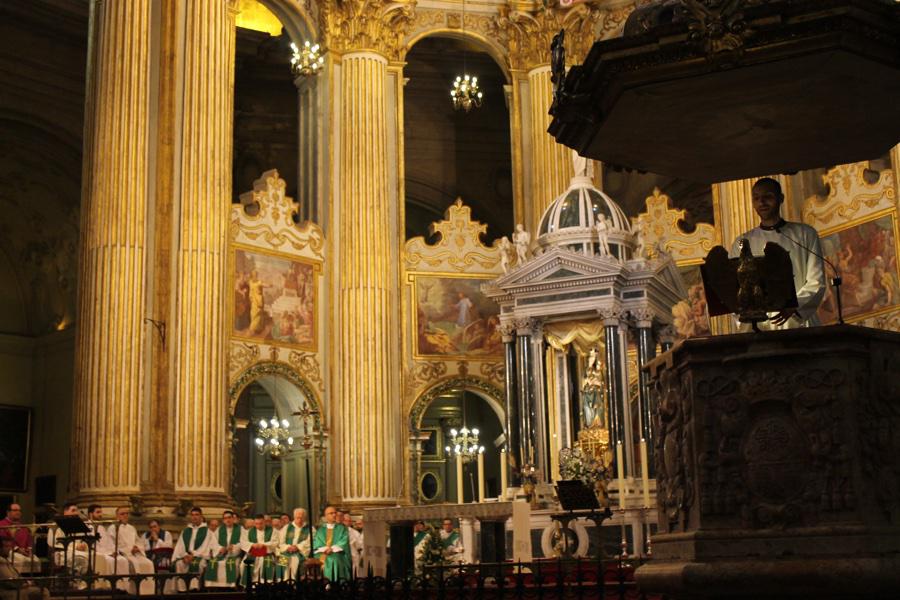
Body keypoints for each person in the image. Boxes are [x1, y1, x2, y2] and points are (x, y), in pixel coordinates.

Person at [729, 177, 826, 329]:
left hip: (798, 324)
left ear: (780, 198)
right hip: (760, 327)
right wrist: (749, 319)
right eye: (756, 198)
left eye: (768, 197)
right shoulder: (742, 242)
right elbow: (733, 289)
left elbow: (816, 282)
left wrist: (794, 307)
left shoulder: (805, 234)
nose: (762, 202)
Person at [104, 507, 155, 595]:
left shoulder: (131, 528)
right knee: (128, 564)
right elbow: (110, 543)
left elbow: (138, 541)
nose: (125, 515)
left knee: (149, 563)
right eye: (122, 514)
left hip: (134, 554)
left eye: (127, 513)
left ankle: (147, 592)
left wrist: (137, 547)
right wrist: (117, 551)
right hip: (122, 554)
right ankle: (129, 591)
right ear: (117, 516)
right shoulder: (113, 528)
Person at [172, 507, 210, 591]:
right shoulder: (186, 531)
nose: (194, 517)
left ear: (201, 516)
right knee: (179, 564)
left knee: (197, 564)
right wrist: (185, 555)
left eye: (197, 515)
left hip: (200, 556)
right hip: (186, 556)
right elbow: (180, 546)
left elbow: (206, 547)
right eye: (192, 515)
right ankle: (182, 590)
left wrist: (194, 555)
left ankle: (194, 589)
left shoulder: (207, 531)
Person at [205, 510, 244, 588]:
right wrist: (220, 548)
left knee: (233, 564)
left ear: (233, 518)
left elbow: (244, 542)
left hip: (234, 556)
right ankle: (213, 587)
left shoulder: (241, 529)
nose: (227, 520)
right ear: (223, 520)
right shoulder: (219, 529)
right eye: (225, 518)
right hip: (221, 555)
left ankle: (230, 587)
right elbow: (213, 543)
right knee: (213, 563)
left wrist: (234, 547)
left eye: (229, 517)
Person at [312, 506, 350, 582]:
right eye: (331, 513)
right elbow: (316, 543)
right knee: (283, 564)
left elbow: (344, 541)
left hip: (335, 553)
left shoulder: (342, 528)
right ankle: (283, 581)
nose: (334, 515)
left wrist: (332, 549)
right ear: (326, 516)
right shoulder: (320, 529)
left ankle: (333, 585)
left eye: (335, 513)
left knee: (334, 560)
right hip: (286, 554)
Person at [241, 514, 278, 584]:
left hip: (267, 554)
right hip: (253, 553)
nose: (259, 526)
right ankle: (250, 585)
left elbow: (275, 542)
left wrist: (264, 545)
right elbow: (243, 542)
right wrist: (252, 544)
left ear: (264, 522)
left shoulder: (273, 530)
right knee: (243, 565)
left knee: (263, 562)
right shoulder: (249, 531)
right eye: (256, 524)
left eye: (261, 523)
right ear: (254, 523)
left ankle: (265, 583)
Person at [0, 504, 36, 574]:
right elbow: (3, 540)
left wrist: (29, 549)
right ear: (8, 512)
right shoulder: (2, 524)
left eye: (19, 510)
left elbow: (29, 539)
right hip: (10, 551)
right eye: (15, 510)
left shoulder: (23, 526)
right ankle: (20, 581)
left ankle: (31, 580)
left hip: (24, 552)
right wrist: (17, 549)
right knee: (22, 561)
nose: (18, 512)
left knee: (35, 560)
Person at [276, 508, 310, 581]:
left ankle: (294, 582)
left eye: (301, 517)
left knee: (295, 562)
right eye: (297, 517)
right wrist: (288, 547)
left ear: (305, 517)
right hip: (286, 551)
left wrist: (297, 547)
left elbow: (309, 542)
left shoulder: (309, 528)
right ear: (294, 517)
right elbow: (280, 541)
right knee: (282, 563)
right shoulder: (287, 527)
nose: (299, 519)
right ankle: (282, 582)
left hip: (300, 552)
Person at [342, 513, 363, 578]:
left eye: (349, 521)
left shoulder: (355, 532)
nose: (348, 522)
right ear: (342, 521)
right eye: (346, 520)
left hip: (353, 555)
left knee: (354, 573)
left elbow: (360, 545)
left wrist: (354, 544)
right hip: (342, 555)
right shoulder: (339, 531)